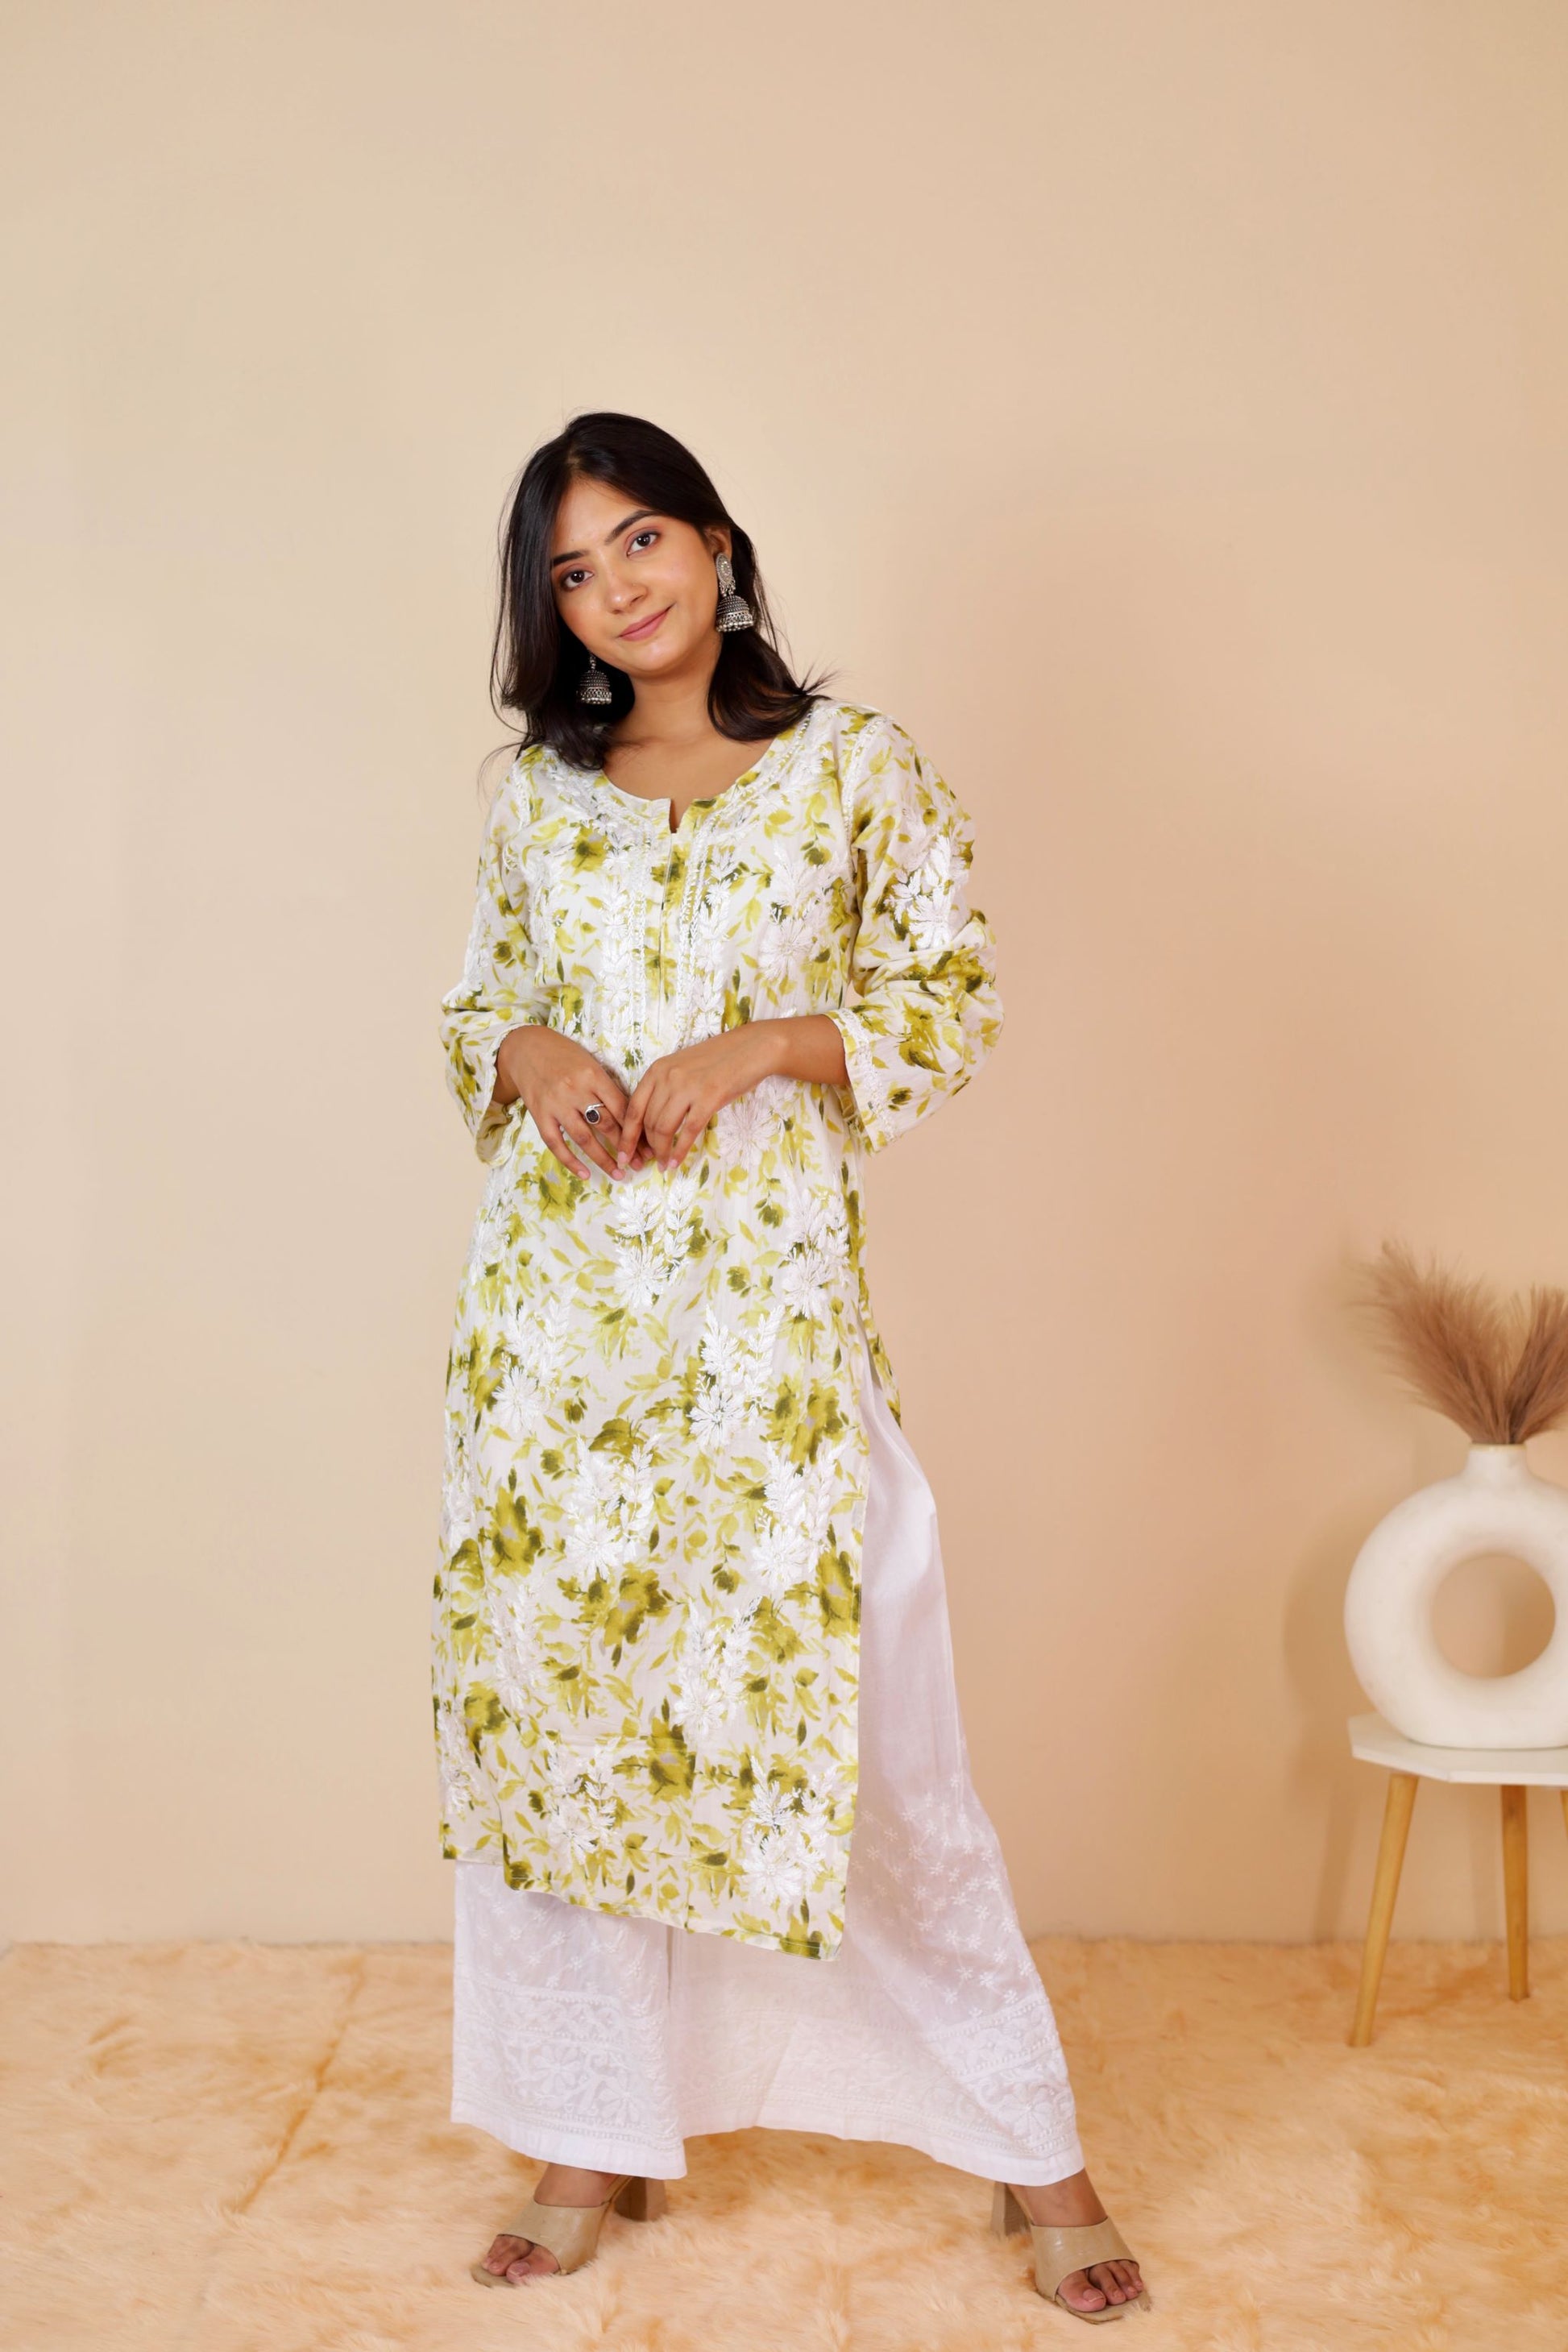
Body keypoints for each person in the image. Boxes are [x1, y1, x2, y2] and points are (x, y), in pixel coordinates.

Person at [433, 411, 1152, 2323]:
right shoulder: (541, 799)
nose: (617, 587)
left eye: (641, 538)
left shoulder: (853, 771)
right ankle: (588, 2130)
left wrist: (758, 1043)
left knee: (873, 1735)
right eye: (573, 570)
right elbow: (478, 999)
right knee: (575, 1725)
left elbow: (949, 993)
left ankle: (1033, 2148)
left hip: (767, 1343)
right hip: (557, 1350)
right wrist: (530, 1053)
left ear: (718, 542)